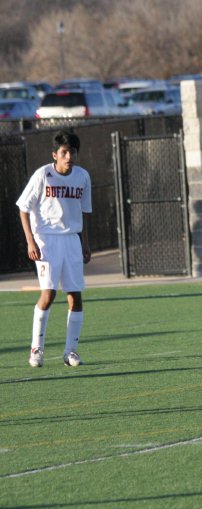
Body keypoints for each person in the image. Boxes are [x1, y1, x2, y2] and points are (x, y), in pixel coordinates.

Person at [17, 129, 92, 368]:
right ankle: (36, 349)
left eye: (72, 152)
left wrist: (85, 243)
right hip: (47, 240)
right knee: (48, 295)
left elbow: (84, 213)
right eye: (64, 152)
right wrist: (31, 241)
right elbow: (23, 208)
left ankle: (71, 351)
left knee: (75, 297)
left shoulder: (82, 176)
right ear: (55, 154)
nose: (69, 156)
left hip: (71, 240)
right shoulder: (43, 175)